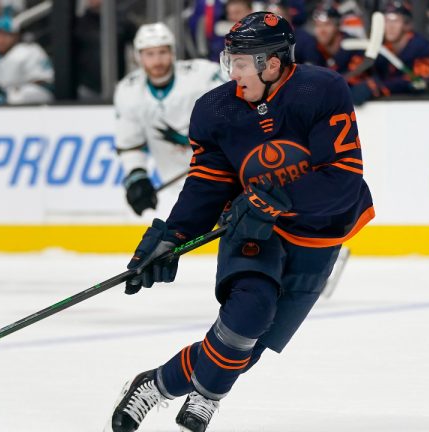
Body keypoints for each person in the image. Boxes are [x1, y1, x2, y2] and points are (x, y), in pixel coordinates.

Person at [107, 12, 374, 432]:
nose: (233, 72)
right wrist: (171, 237)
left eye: (243, 62)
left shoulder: (320, 90)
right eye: (230, 60)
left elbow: (341, 179)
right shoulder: (215, 109)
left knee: (242, 352)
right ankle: (207, 399)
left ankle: (156, 385)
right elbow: (207, 185)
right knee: (249, 313)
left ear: (272, 63)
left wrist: (275, 199)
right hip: (252, 228)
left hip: (318, 231)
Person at [114, 22, 227, 217]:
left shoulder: (202, 75)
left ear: (173, 52)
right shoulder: (128, 91)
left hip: (224, 173)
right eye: (150, 54)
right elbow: (131, 144)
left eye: (162, 52)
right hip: (181, 185)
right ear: (138, 56)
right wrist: (136, 175)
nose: (157, 60)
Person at [350, 0, 429, 104]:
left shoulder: (420, 46)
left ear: (406, 25)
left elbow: (420, 81)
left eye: (395, 20)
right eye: (386, 20)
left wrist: (380, 88)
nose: (390, 26)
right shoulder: (380, 48)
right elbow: (361, 72)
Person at [312, 3, 367, 81]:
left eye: (327, 24)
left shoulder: (355, 47)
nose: (322, 30)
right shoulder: (313, 47)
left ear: (337, 26)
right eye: (318, 25)